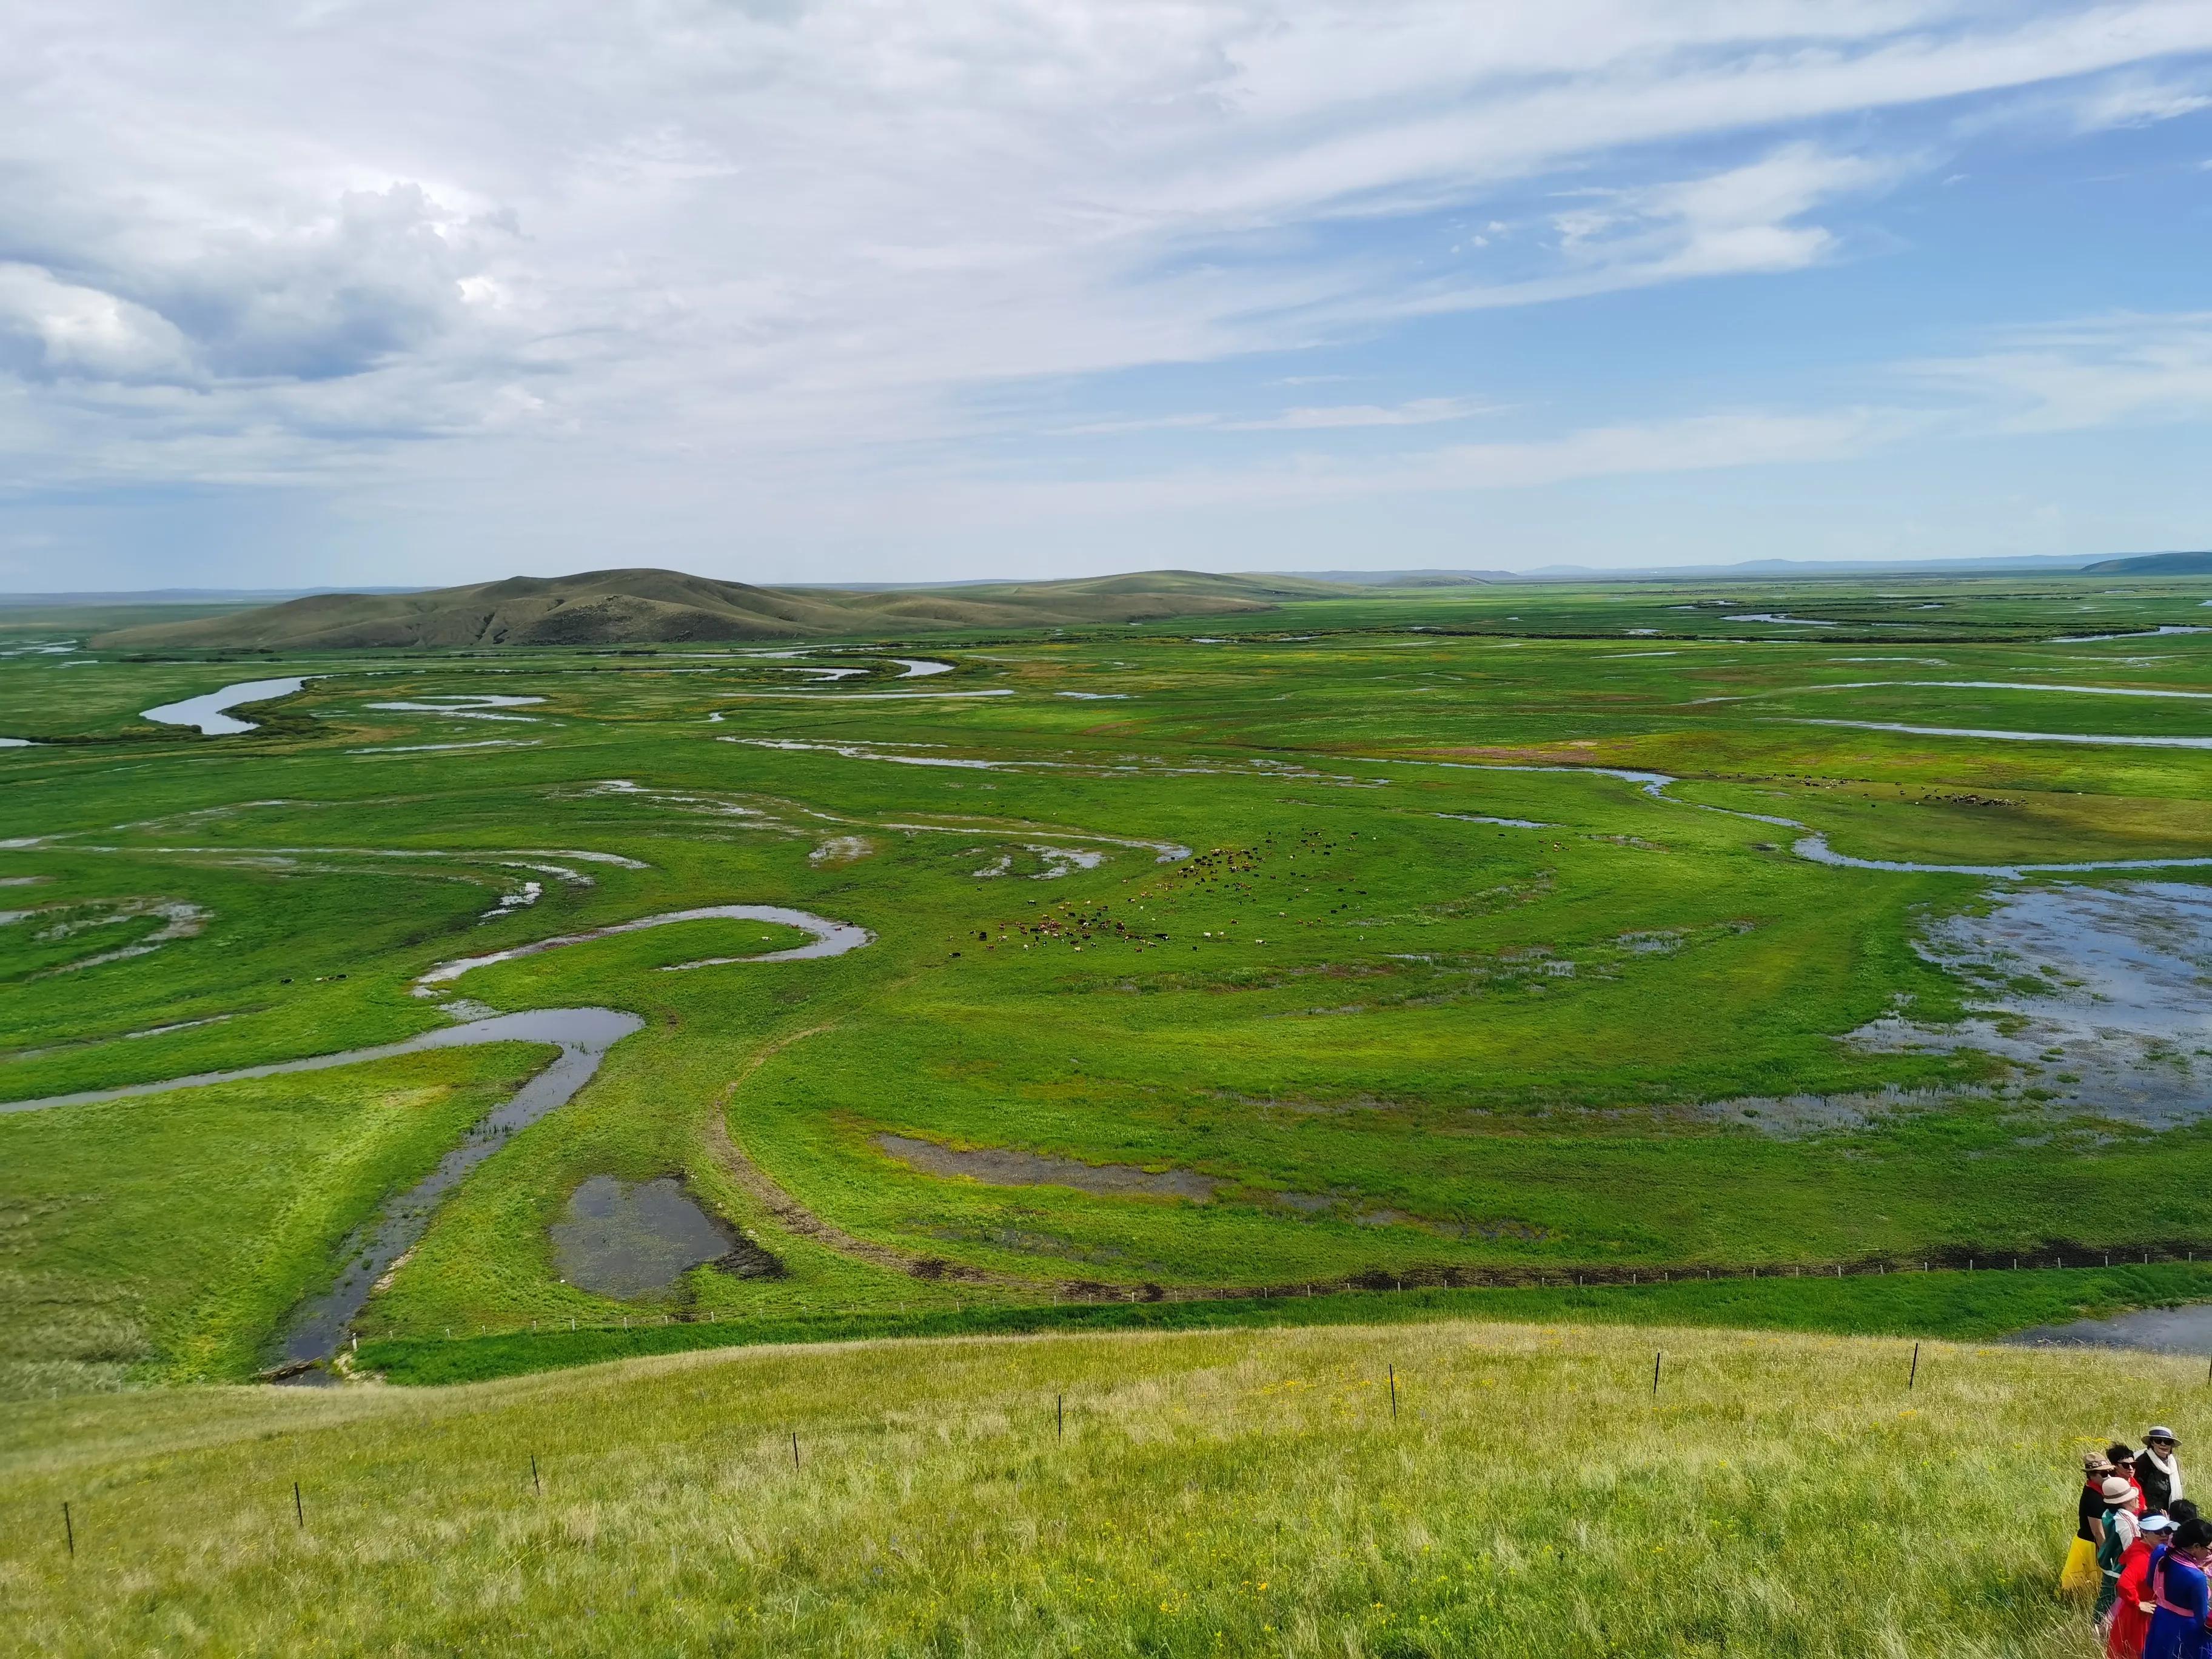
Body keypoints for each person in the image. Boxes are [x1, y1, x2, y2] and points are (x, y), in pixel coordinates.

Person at [2143, 1517, 2212, 1659]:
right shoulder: (2197, 1577)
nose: (2210, 1554)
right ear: (2196, 1547)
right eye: (2209, 1550)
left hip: (2161, 1620)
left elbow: (2150, 1583)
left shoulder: (2161, 1552)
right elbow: (2203, 1619)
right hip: (2187, 1631)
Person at [2113, 1515, 2176, 1659]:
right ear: (2144, 1532)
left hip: (2138, 1613)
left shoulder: (2148, 1550)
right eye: (2158, 1532)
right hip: (2140, 1618)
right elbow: (2124, 1583)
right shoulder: (2142, 1558)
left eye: (2167, 1530)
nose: (2164, 1535)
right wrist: (2138, 1603)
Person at [2102, 1477, 2148, 1621]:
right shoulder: (2128, 1523)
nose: (2137, 1498)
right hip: (2120, 1571)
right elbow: (2132, 1550)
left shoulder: (2109, 1514)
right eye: (2134, 1497)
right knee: (2113, 1610)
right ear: (2125, 1502)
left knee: (2105, 1602)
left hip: (2110, 1565)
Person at [2143, 1430, 2188, 1513]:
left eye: (2167, 1442)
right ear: (2152, 1443)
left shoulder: (2173, 1463)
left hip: (2170, 1511)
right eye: (2158, 1441)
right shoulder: (2143, 1462)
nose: (2163, 1444)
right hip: (2151, 1513)